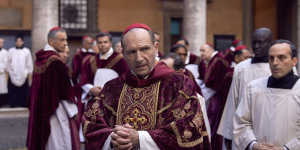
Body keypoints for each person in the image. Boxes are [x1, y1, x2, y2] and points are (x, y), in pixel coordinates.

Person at [82, 23, 211, 150]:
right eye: (132, 52)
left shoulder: (179, 84)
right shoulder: (112, 88)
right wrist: (113, 138)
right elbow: (92, 124)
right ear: (123, 54)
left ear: (155, 47)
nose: (139, 58)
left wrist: (140, 138)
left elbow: (189, 128)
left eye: (144, 49)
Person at [234, 40, 300, 150]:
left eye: (281, 57)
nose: (275, 63)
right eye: (271, 58)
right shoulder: (253, 88)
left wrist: (286, 148)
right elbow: (241, 123)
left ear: (294, 61)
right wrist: (253, 144)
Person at [217, 28, 273, 150]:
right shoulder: (241, 68)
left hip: (272, 129)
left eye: (261, 42)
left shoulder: (279, 68)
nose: (256, 46)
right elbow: (233, 101)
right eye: (254, 42)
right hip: (244, 131)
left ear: (270, 43)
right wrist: (228, 134)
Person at [27, 27, 80, 150]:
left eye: (66, 40)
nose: (65, 43)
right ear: (51, 42)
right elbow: (65, 93)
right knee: (58, 141)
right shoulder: (56, 62)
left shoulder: (40, 60)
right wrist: (74, 111)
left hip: (40, 110)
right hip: (56, 110)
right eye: (62, 40)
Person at [200, 43, 231, 150]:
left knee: (214, 124)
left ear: (210, 50)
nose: (201, 54)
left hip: (217, 99)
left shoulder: (219, 61)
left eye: (203, 51)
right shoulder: (213, 60)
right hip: (212, 97)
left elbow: (217, 84)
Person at [7, 35, 33, 107]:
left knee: (23, 92)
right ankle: (13, 104)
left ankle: (23, 104)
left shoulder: (27, 51)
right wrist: (10, 72)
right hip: (13, 74)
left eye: (20, 41)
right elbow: (8, 63)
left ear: (23, 42)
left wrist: (28, 73)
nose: (18, 43)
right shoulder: (11, 51)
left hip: (23, 74)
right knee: (12, 91)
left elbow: (29, 64)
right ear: (15, 42)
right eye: (17, 41)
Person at [0, 38, 9, 107]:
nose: (0, 44)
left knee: (2, 90)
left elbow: (6, 63)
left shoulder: (5, 52)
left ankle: (2, 104)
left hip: (2, 74)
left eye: (1, 43)